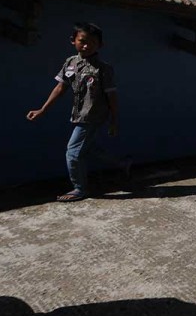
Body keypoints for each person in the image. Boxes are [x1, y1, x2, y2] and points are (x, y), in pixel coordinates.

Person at [26, 22, 130, 202]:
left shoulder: (103, 69)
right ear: (73, 41)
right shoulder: (70, 63)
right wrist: (43, 109)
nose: (87, 45)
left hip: (93, 115)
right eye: (82, 41)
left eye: (93, 42)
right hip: (78, 113)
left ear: (100, 45)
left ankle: (80, 189)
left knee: (72, 153)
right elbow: (60, 87)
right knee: (85, 148)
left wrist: (114, 120)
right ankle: (122, 163)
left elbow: (112, 96)